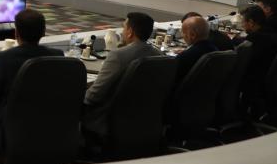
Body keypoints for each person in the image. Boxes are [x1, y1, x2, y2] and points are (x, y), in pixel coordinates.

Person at [0, 9, 63, 164]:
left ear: (16, 33)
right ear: (44, 32)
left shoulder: (4, 58)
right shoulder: (58, 56)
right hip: (48, 126)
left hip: (12, 129)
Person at [83, 12, 161, 140]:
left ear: (130, 32)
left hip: (107, 120)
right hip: (142, 120)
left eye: (124, 27)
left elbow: (93, 96)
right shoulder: (159, 55)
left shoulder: (117, 56)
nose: (123, 32)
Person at [236, 6, 277, 102]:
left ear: (251, 22)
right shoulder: (271, 32)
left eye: (243, 22)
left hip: (252, 81)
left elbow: (242, 62)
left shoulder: (254, 38)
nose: (242, 25)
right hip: (266, 78)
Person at [175, 15, 217, 82]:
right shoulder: (214, 49)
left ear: (192, 35)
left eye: (183, 32)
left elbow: (170, 79)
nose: (182, 36)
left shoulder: (185, 57)